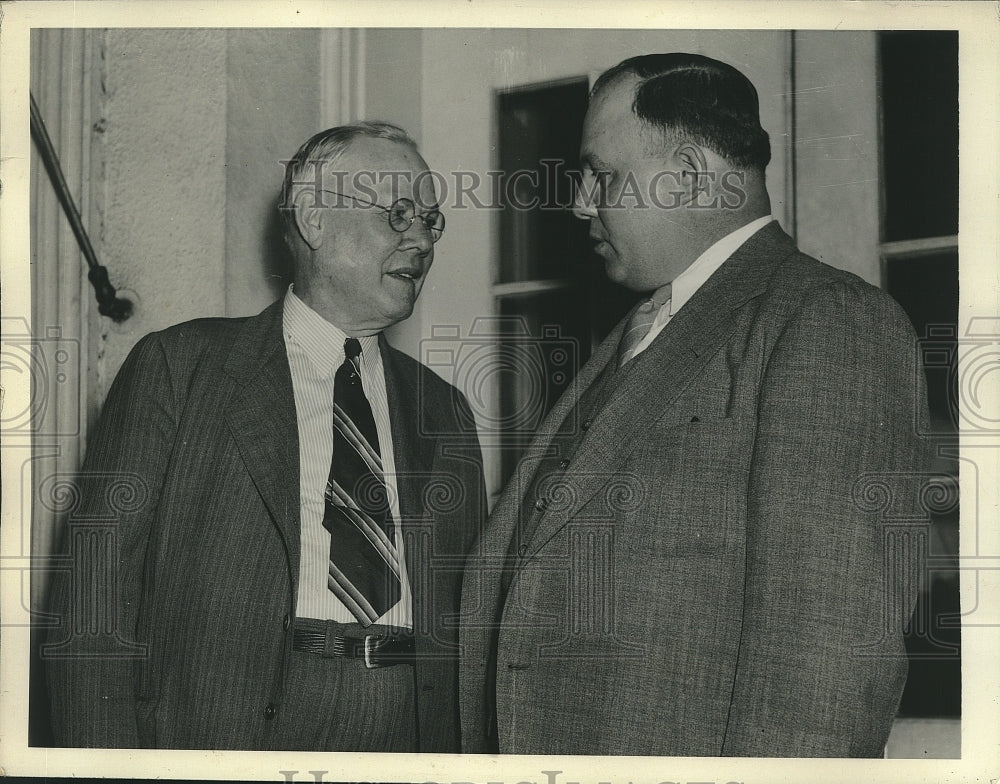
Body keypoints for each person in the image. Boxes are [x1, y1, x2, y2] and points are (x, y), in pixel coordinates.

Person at [459, 54, 931, 757]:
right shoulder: (639, 332)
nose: (581, 203)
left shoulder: (829, 320)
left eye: (602, 176)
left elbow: (828, 659)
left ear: (688, 176)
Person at [45, 121, 486, 751]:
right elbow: (92, 613)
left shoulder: (445, 412)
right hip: (224, 731)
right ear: (313, 218)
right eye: (399, 213)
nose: (421, 239)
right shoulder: (181, 369)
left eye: (431, 221)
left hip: (405, 734)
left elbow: (466, 631)